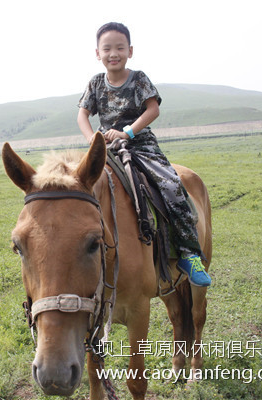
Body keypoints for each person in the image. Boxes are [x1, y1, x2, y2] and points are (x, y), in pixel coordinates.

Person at [77, 22, 211, 287]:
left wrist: (127, 132)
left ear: (130, 50)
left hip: (141, 145)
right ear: (97, 53)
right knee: (77, 187)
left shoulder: (138, 79)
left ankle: (189, 253)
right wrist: (92, 138)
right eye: (107, 48)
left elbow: (152, 110)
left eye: (119, 47)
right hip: (106, 148)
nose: (113, 53)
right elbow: (82, 114)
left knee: (171, 185)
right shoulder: (94, 83)